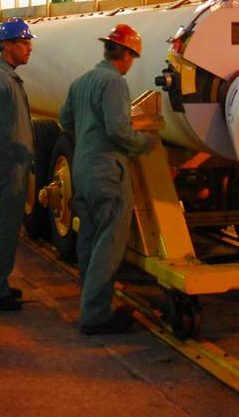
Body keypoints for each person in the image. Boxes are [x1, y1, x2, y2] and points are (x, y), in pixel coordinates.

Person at [59, 23, 157, 334]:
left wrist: (88, 138)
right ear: (125, 54)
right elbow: (117, 129)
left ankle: (89, 303)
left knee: (88, 237)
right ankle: (97, 315)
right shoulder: (113, 82)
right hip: (106, 172)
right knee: (109, 243)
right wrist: (145, 144)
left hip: (83, 168)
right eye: (132, 58)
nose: (131, 65)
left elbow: (65, 120)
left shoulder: (82, 81)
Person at [0, 18, 36, 312]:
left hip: (11, 170)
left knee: (6, 232)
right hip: (6, 172)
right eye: (24, 43)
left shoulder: (6, 77)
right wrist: (6, 174)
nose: (29, 49)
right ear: (8, 45)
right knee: (2, 232)